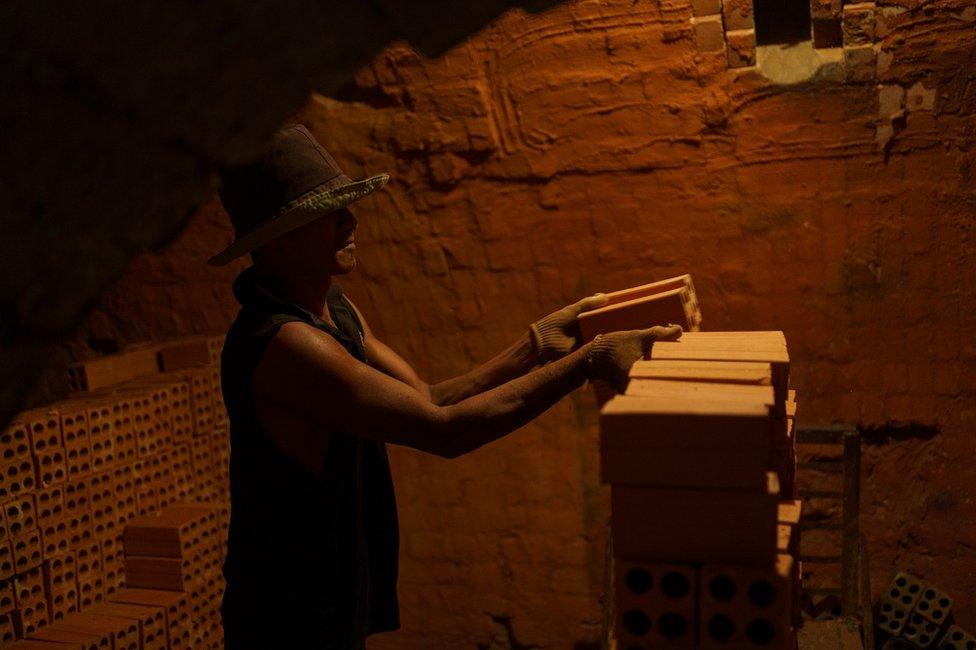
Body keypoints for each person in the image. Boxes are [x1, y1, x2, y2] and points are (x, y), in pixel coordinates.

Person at [209, 124, 681, 649]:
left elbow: (428, 396)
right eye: (324, 213)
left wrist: (537, 342)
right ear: (275, 246)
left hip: (332, 594)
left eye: (345, 204)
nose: (350, 219)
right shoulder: (285, 343)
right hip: (285, 615)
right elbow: (444, 431)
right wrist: (589, 361)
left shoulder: (332, 309)